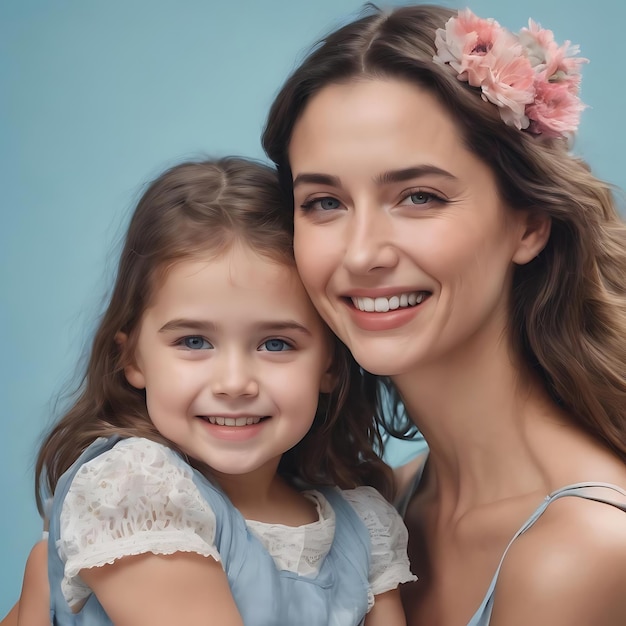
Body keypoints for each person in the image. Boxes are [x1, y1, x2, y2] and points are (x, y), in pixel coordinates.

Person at [262, 4, 626, 625]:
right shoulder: (384, 509)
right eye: (324, 202)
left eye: (419, 196)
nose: (362, 253)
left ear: (530, 223)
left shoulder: (583, 549)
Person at [17, 157, 414, 625]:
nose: (234, 384)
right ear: (133, 359)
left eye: (275, 344)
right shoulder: (136, 490)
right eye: (194, 342)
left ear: (329, 365)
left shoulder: (363, 529)